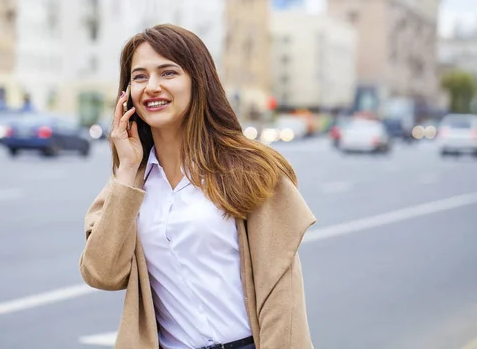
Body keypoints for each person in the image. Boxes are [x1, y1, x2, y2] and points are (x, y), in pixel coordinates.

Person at [80, 24, 316, 349]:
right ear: (126, 94)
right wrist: (128, 172)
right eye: (139, 77)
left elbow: (280, 296)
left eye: (168, 73)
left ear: (197, 81)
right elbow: (103, 274)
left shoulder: (251, 170)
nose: (152, 87)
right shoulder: (129, 182)